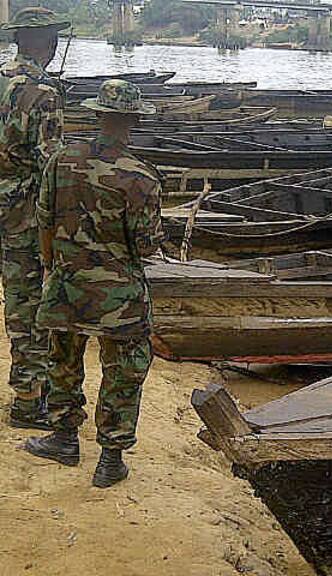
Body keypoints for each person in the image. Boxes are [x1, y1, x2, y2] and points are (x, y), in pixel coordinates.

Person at [24, 80, 164, 489]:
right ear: (135, 121)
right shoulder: (141, 177)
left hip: (66, 285)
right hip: (119, 295)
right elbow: (147, 245)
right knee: (123, 371)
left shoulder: (61, 160)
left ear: (98, 114)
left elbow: (44, 221)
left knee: (63, 362)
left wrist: (52, 268)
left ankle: (63, 438)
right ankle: (110, 460)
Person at [0, 7, 69, 430]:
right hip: (24, 211)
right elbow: (51, 164)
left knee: (16, 299)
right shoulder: (44, 93)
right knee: (27, 304)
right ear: (48, 43)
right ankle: (28, 400)